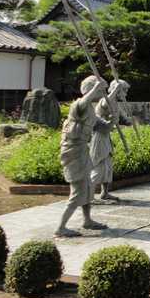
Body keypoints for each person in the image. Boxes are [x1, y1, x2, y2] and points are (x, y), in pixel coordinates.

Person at [55, 75, 112, 237]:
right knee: (78, 191)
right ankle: (60, 227)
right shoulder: (79, 106)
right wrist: (96, 87)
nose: (103, 92)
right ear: (91, 89)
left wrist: (113, 120)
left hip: (82, 150)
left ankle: (87, 220)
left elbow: (104, 128)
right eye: (101, 89)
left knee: (88, 188)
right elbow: (82, 103)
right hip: (72, 152)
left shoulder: (92, 112)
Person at [90, 79, 130, 202]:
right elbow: (106, 105)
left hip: (107, 136)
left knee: (108, 166)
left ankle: (105, 193)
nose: (126, 94)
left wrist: (128, 120)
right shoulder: (106, 100)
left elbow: (124, 119)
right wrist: (115, 90)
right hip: (99, 136)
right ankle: (88, 195)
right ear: (117, 90)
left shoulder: (116, 105)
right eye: (124, 91)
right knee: (99, 165)